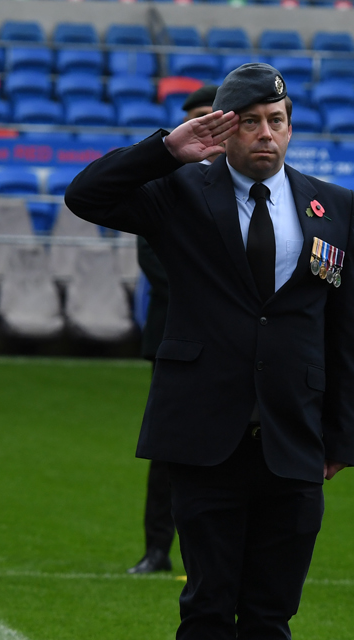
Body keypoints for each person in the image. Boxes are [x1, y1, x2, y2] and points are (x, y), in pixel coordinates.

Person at [67, 63, 354, 640]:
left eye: (279, 121)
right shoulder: (179, 194)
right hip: (203, 433)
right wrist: (170, 147)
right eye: (253, 122)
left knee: (271, 609)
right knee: (206, 602)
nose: (268, 135)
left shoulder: (333, 206)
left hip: (293, 440)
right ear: (226, 128)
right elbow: (86, 195)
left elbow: (344, 334)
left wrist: (339, 440)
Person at [127, 84, 217, 576]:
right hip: (174, 336)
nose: (203, 123)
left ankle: (211, 552)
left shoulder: (246, 185)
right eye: (196, 117)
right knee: (167, 446)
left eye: (211, 114)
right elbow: (152, 257)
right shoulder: (166, 183)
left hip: (233, 342)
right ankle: (156, 549)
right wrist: (209, 294)